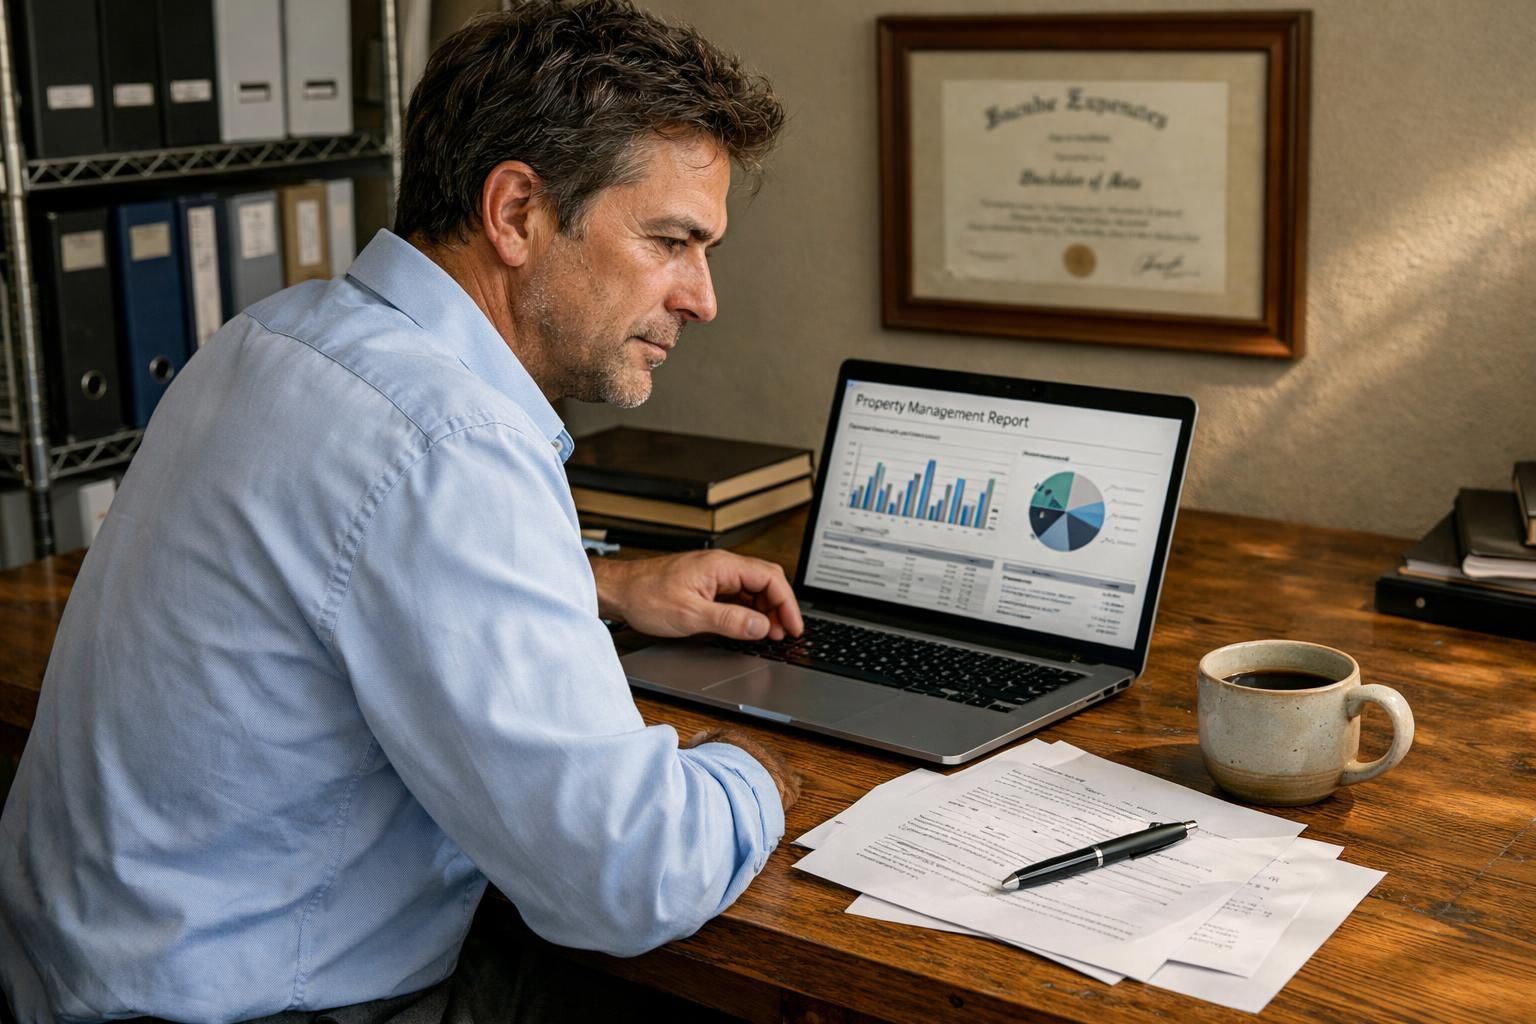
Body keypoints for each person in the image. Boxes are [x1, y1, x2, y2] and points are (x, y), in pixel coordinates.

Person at [0, 2, 803, 1021]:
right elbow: (627, 877)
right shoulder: (452, 445)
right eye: (672, 241)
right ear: (517, 212)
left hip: (72, 975)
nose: (702, 296)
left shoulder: (277, 337)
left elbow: (329, 577)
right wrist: (772, 773)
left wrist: (595, 586)